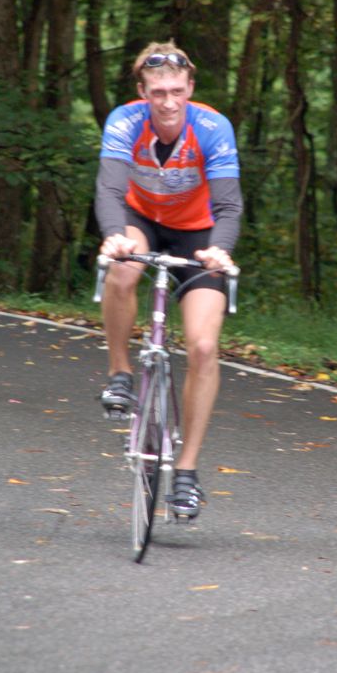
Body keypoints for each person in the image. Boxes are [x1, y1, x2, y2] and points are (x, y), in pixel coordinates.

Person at [94, 41, 243, 519]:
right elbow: (110, 188)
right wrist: (114, 235)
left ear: (190, 88)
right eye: (158, 92)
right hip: (141, 219)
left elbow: (229, 204)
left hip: (198, 234)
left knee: (203, 346)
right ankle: (120, 374)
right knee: (122, 269)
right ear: (143, 92)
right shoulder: (125, 121)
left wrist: (220, 248)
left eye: (177, 91)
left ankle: (186, 472)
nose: (168, 102)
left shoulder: (212, 127)